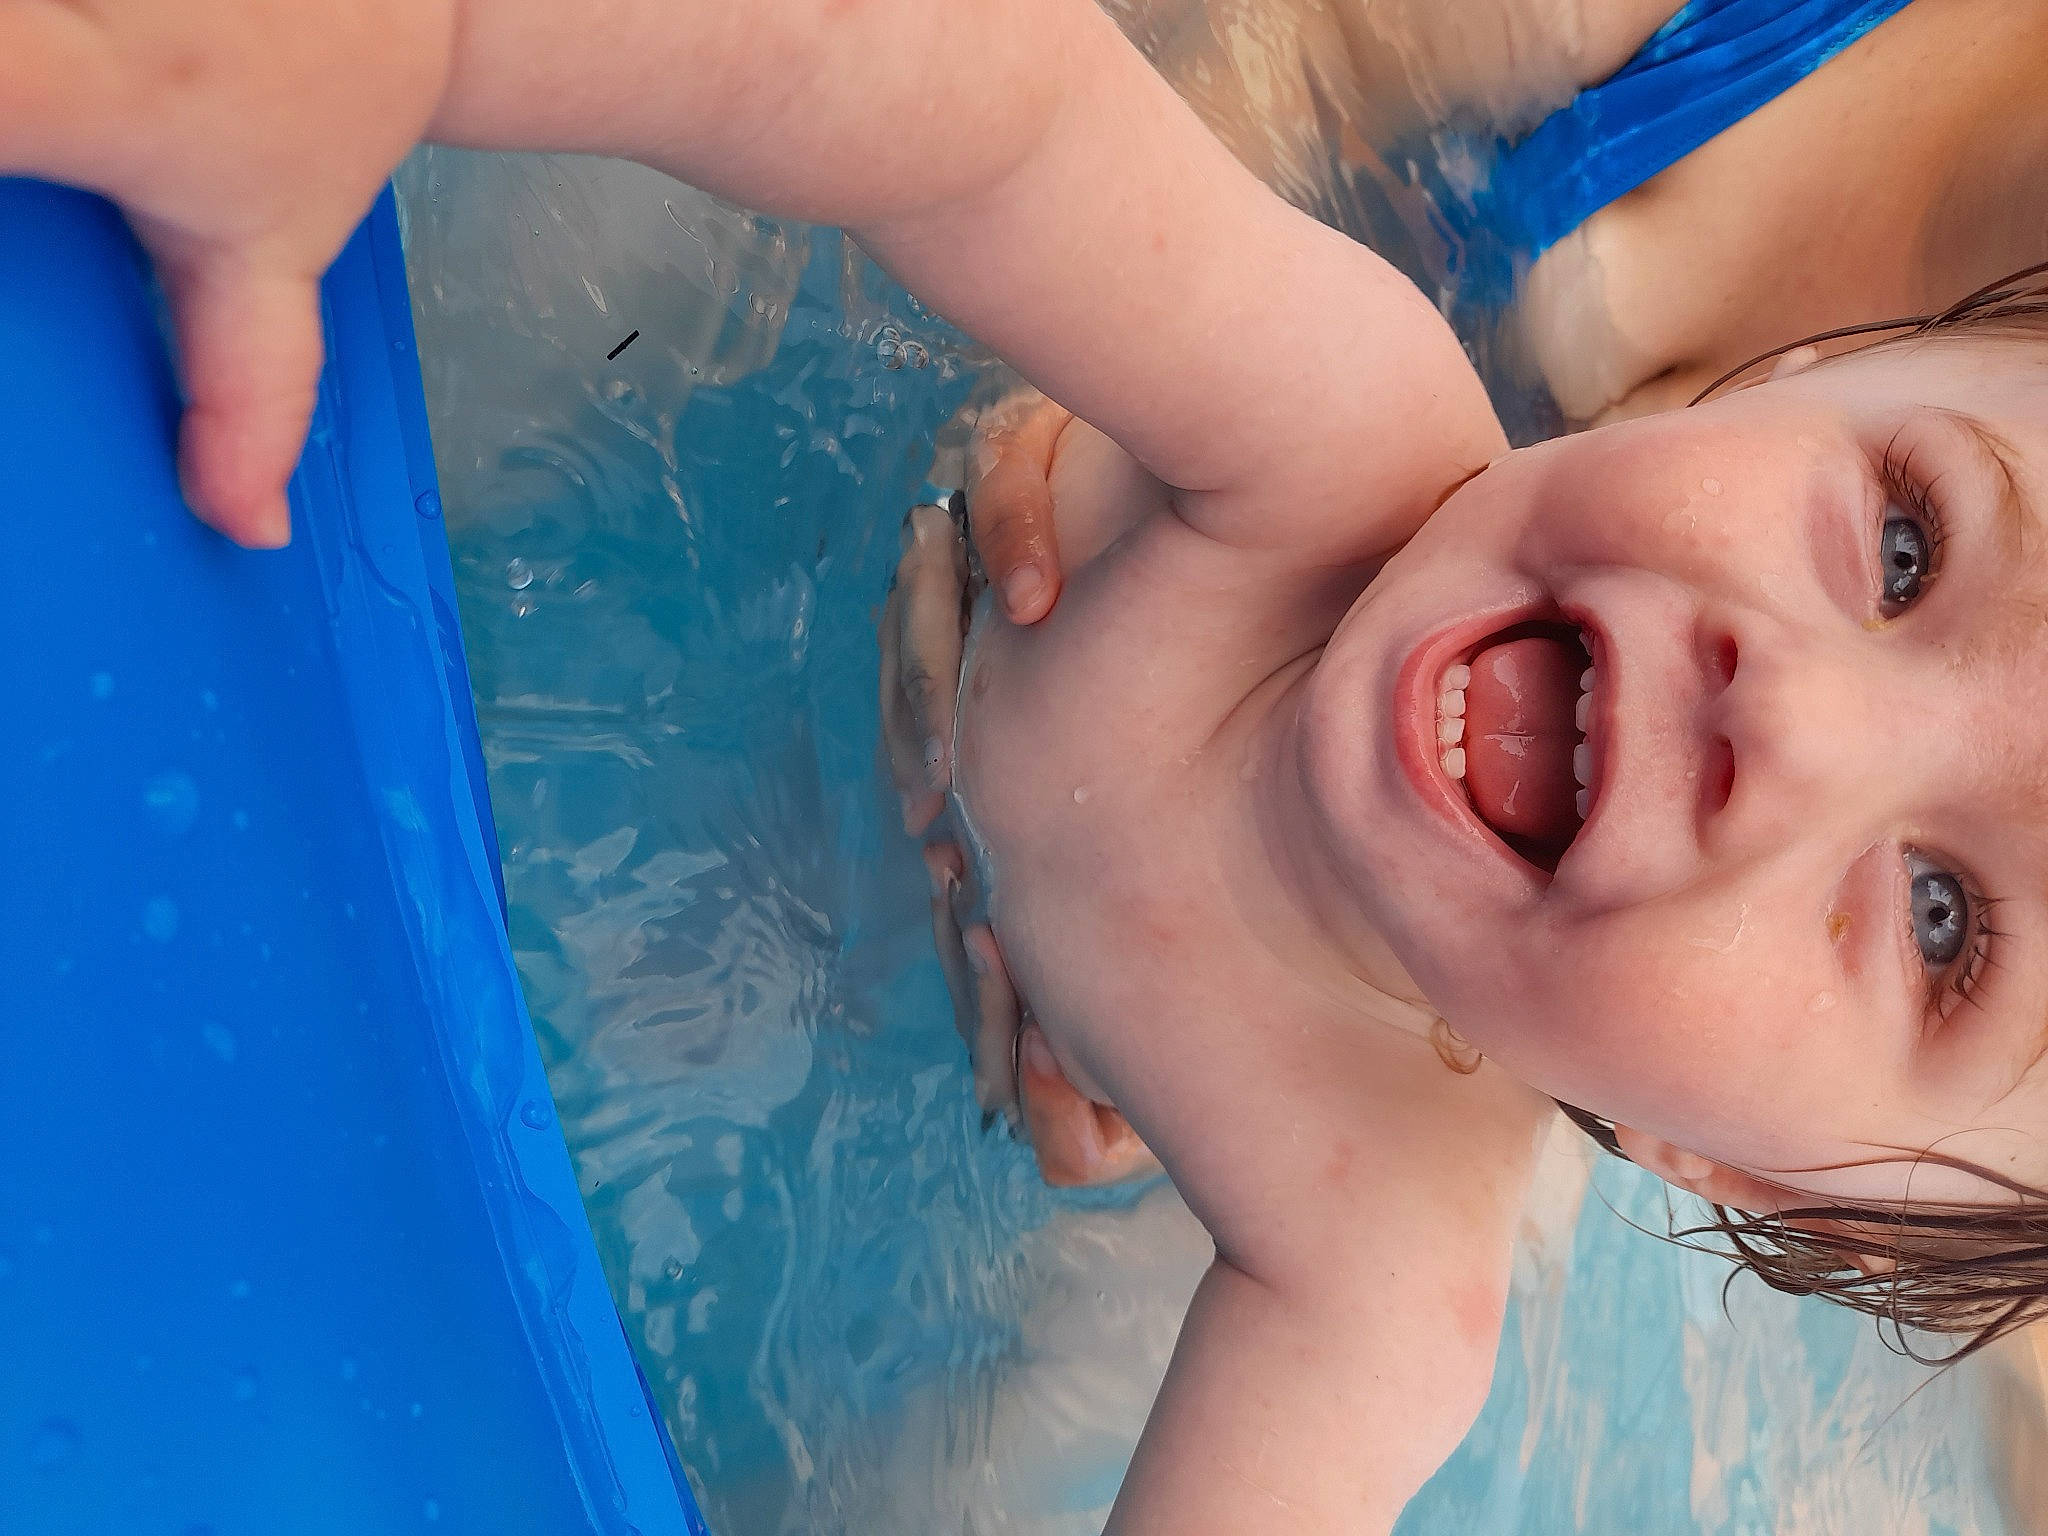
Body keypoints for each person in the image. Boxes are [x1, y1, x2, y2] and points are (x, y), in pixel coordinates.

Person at [12, 2, 2048, 1531]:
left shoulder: (1372, 1269)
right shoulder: (1328, 433)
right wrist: (411, 41)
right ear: (1803, 370)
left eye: (1946, 921)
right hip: (783, 517)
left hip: (902, 1102)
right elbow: (968, 99)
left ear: (1739, 1173)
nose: (1786, 717)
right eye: (1905, 543)